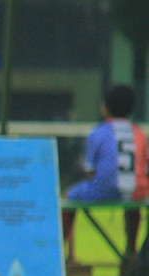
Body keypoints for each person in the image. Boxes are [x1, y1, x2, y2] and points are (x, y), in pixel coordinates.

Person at [60, 84, 148, 265]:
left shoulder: (98, 133)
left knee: (69, 196)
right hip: (137, 192)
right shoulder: (139, 133)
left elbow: (90, 170)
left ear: (105, 107)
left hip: (105, 190)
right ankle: (131, 251)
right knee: (133, 200)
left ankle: (64, 252)